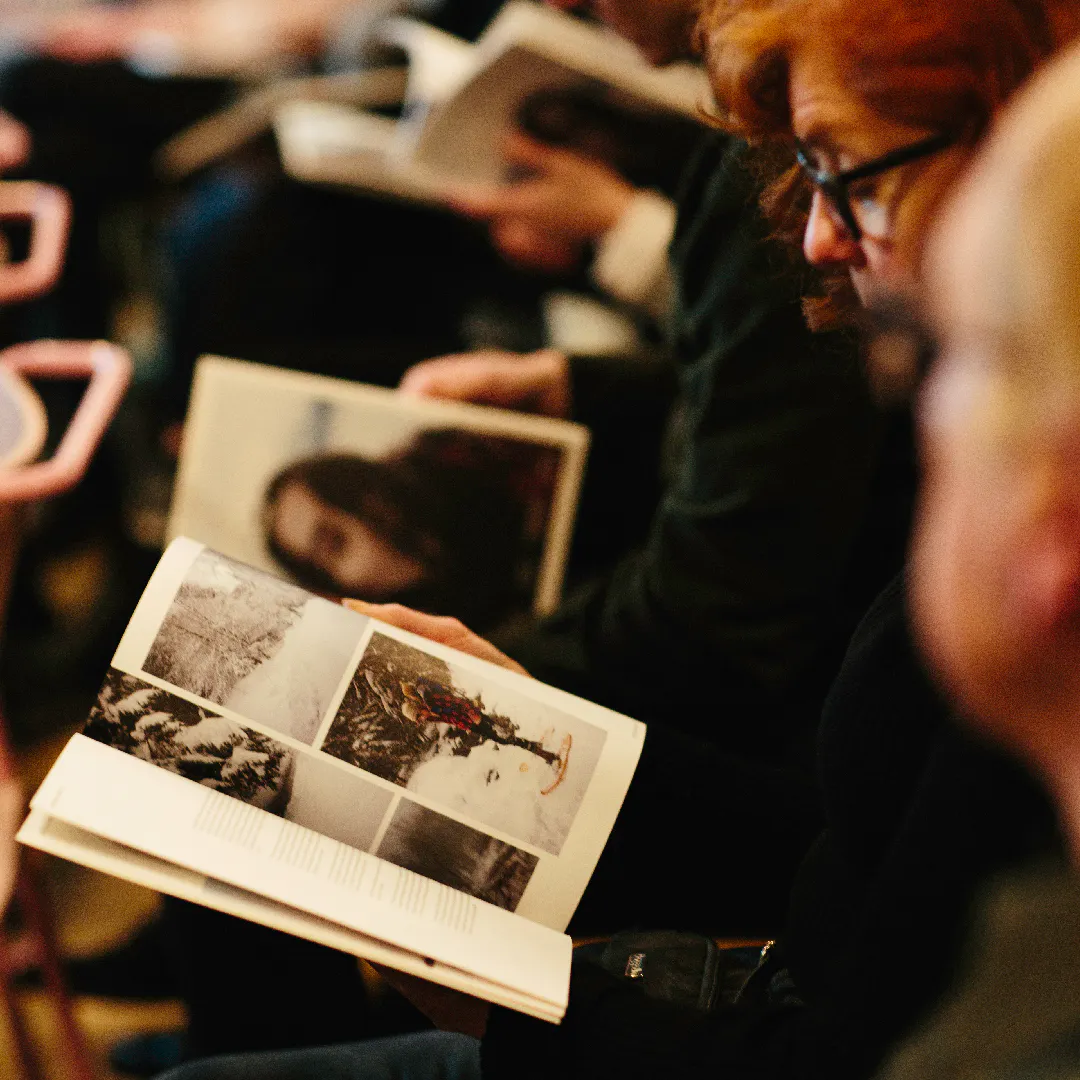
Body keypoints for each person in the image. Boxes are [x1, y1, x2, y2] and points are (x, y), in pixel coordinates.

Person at [156, 2, 1080, 1079]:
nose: (819, 236)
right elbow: (838, 857)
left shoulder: (1023, 587)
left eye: (843, 172)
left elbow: (845, 1046)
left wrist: (511, 1007)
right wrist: (543, 739)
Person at [261, 429, 561, 628]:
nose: (365, 525)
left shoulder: (450, 452)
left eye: (350, 492)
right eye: (334, 543)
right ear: (338, 588)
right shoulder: (430, 647)